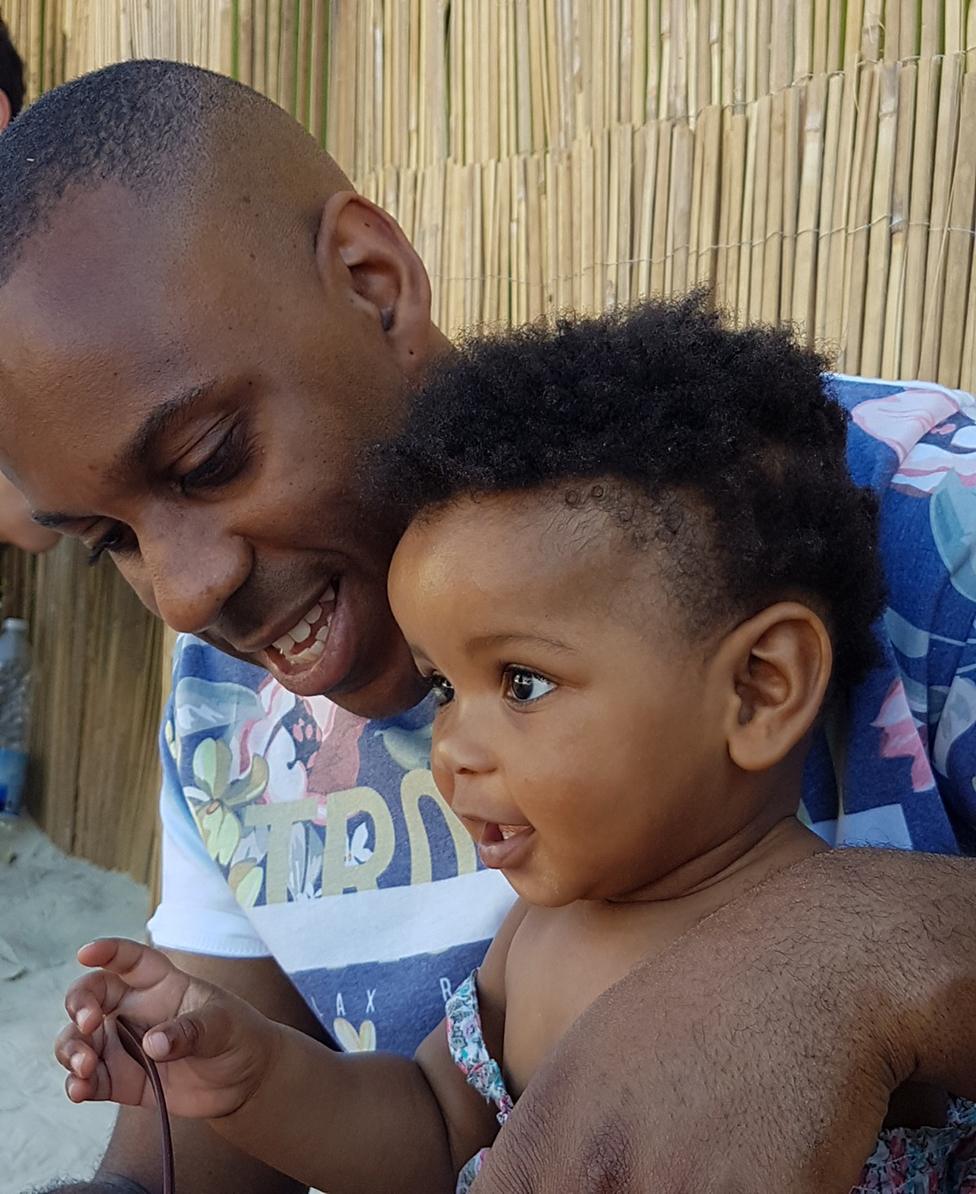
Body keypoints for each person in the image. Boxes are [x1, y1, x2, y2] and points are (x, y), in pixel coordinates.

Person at [0, 59, 972, 1194]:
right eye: (108, 541)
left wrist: (860, 954)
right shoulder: (224, 708)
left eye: (211, 461)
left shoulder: (904, 522)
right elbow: (318, 1136)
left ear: (373, 282)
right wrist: (207, 1073)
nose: (180, 595)